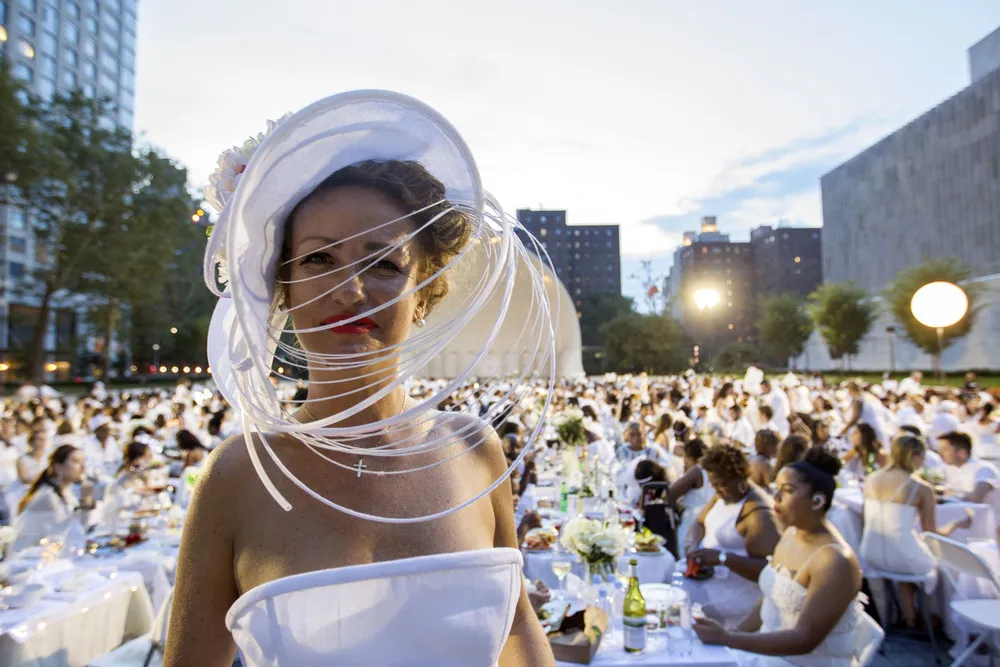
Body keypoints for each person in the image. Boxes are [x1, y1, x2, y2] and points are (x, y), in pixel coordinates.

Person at [165, 94, 553, 667]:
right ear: (283, 288)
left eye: (383, 264)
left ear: (423, 294)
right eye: (319, 261)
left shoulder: (474, 449)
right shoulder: (238, 476)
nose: (348, 292)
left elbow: (517, 627)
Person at [695, 448, 881, 666]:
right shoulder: (791, 534)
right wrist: (733, 634)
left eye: (788, 490)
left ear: (817, 501)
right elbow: (770, 597)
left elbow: (804, 640)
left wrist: (729, 639)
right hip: (767, 653)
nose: (776, 497)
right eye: (777, 488)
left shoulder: (835, 561)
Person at [861, 434, 972, 627]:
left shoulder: (871, 478)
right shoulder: (921, 488)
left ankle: (909, 616)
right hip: (901, 555)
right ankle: (927, 617)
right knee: (931, 563)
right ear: (916, 455)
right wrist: (957, 524)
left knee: (909, 556)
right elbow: (933, 533)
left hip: (870, 553)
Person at [686, 444, 782, 628]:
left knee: (677, 598)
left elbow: (769, 572)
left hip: (737, 592)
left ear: (740, 478)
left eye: (721, 485)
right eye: (713, 485)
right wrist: (692, 548)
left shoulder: (758, 512)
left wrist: (722, 558)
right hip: (711, 577)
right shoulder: (723, 495)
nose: (717, 491)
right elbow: (698, 523)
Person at [670, 438, 714, 559]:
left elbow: (670, 493)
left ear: (688, 457)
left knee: (686, 558)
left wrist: (675, 511)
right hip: (711, 521)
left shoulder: (697, 471)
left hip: (692, 522)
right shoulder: (713, 470)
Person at [938, 431, 1000, 504]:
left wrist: (952, 494)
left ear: (962, 452)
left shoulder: (984, 469)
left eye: (945, 449)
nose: (940, 453)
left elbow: (975, 499)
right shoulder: (947, 469)